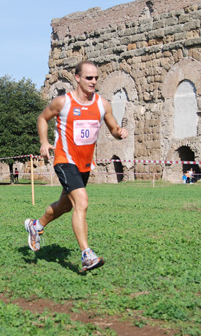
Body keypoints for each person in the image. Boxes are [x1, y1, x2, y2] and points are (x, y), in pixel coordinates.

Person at [25, 60, 128, 272]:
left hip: (84, 165)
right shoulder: (63, 102)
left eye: (96, 78)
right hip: (64, 159)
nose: (93, 81)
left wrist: (120, 133)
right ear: (78, 78)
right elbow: (42, 119)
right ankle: (86, 254)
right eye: (89, 77)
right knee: (81, 201)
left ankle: (36, 225)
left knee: (66, 205)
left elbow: (114, 129)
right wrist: (44, 142)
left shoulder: (102, 104)